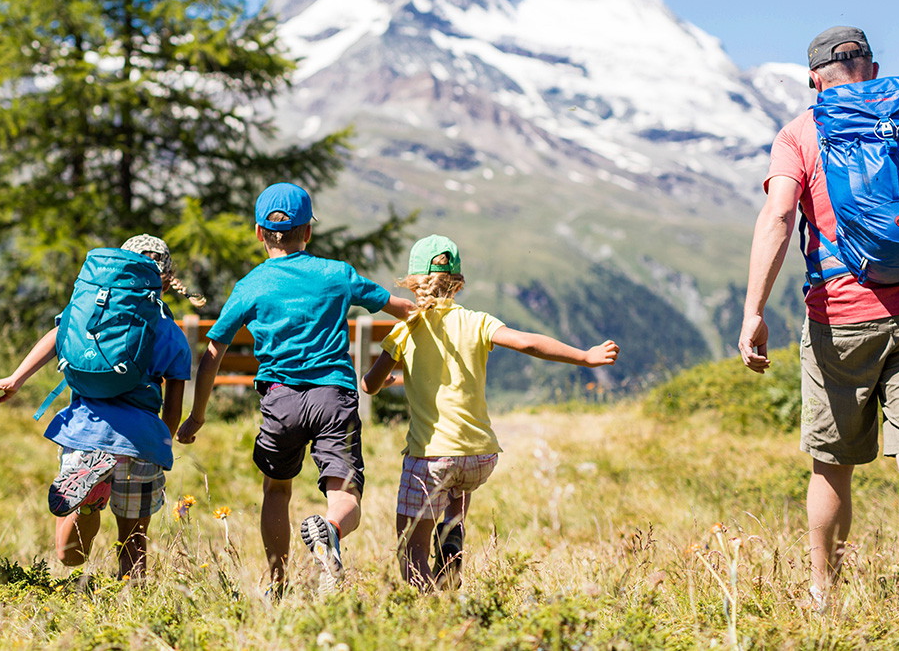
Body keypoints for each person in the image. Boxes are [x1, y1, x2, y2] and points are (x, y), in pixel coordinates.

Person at [738, 26, 899, 611]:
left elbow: (778, 217)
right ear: (874, 69)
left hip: (840, 319)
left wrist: (754, 311)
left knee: (832, 466)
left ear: (814, 80)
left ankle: (823, 597)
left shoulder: (800, 134)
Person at [177, 182, 416, 592]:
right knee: (345, 493)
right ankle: (330, 529)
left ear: (259, 233)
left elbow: (213, 352)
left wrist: (197, 416)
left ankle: (277, 583)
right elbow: (405, 310)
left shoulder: (251, 285)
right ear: (308, 231)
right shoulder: (337, 274)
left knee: (276, 490)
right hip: (334, 398)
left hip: (280, 401)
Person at [360, 235, 620, 589]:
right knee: (457, 480)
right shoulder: (477, 321)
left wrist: (385, 380)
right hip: (480, 457)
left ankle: (429, 607)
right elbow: (528, 342)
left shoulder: (405, 330)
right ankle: (452, 532)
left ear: (412, 283)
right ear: (458, 283)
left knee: (411, 550)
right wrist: (585, 356)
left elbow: (369, 385)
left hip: (431, 457)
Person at [0, 235, 200, 580]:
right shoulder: (169, 332)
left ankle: (88, 503)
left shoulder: (89, 312)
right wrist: (164, 441)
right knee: (134, 538)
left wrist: (15, 379)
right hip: (140, 440)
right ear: (164, 280)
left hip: (84, 432)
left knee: (69, 556)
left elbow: (57, 336)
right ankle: (132, 599)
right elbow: (173, 407)